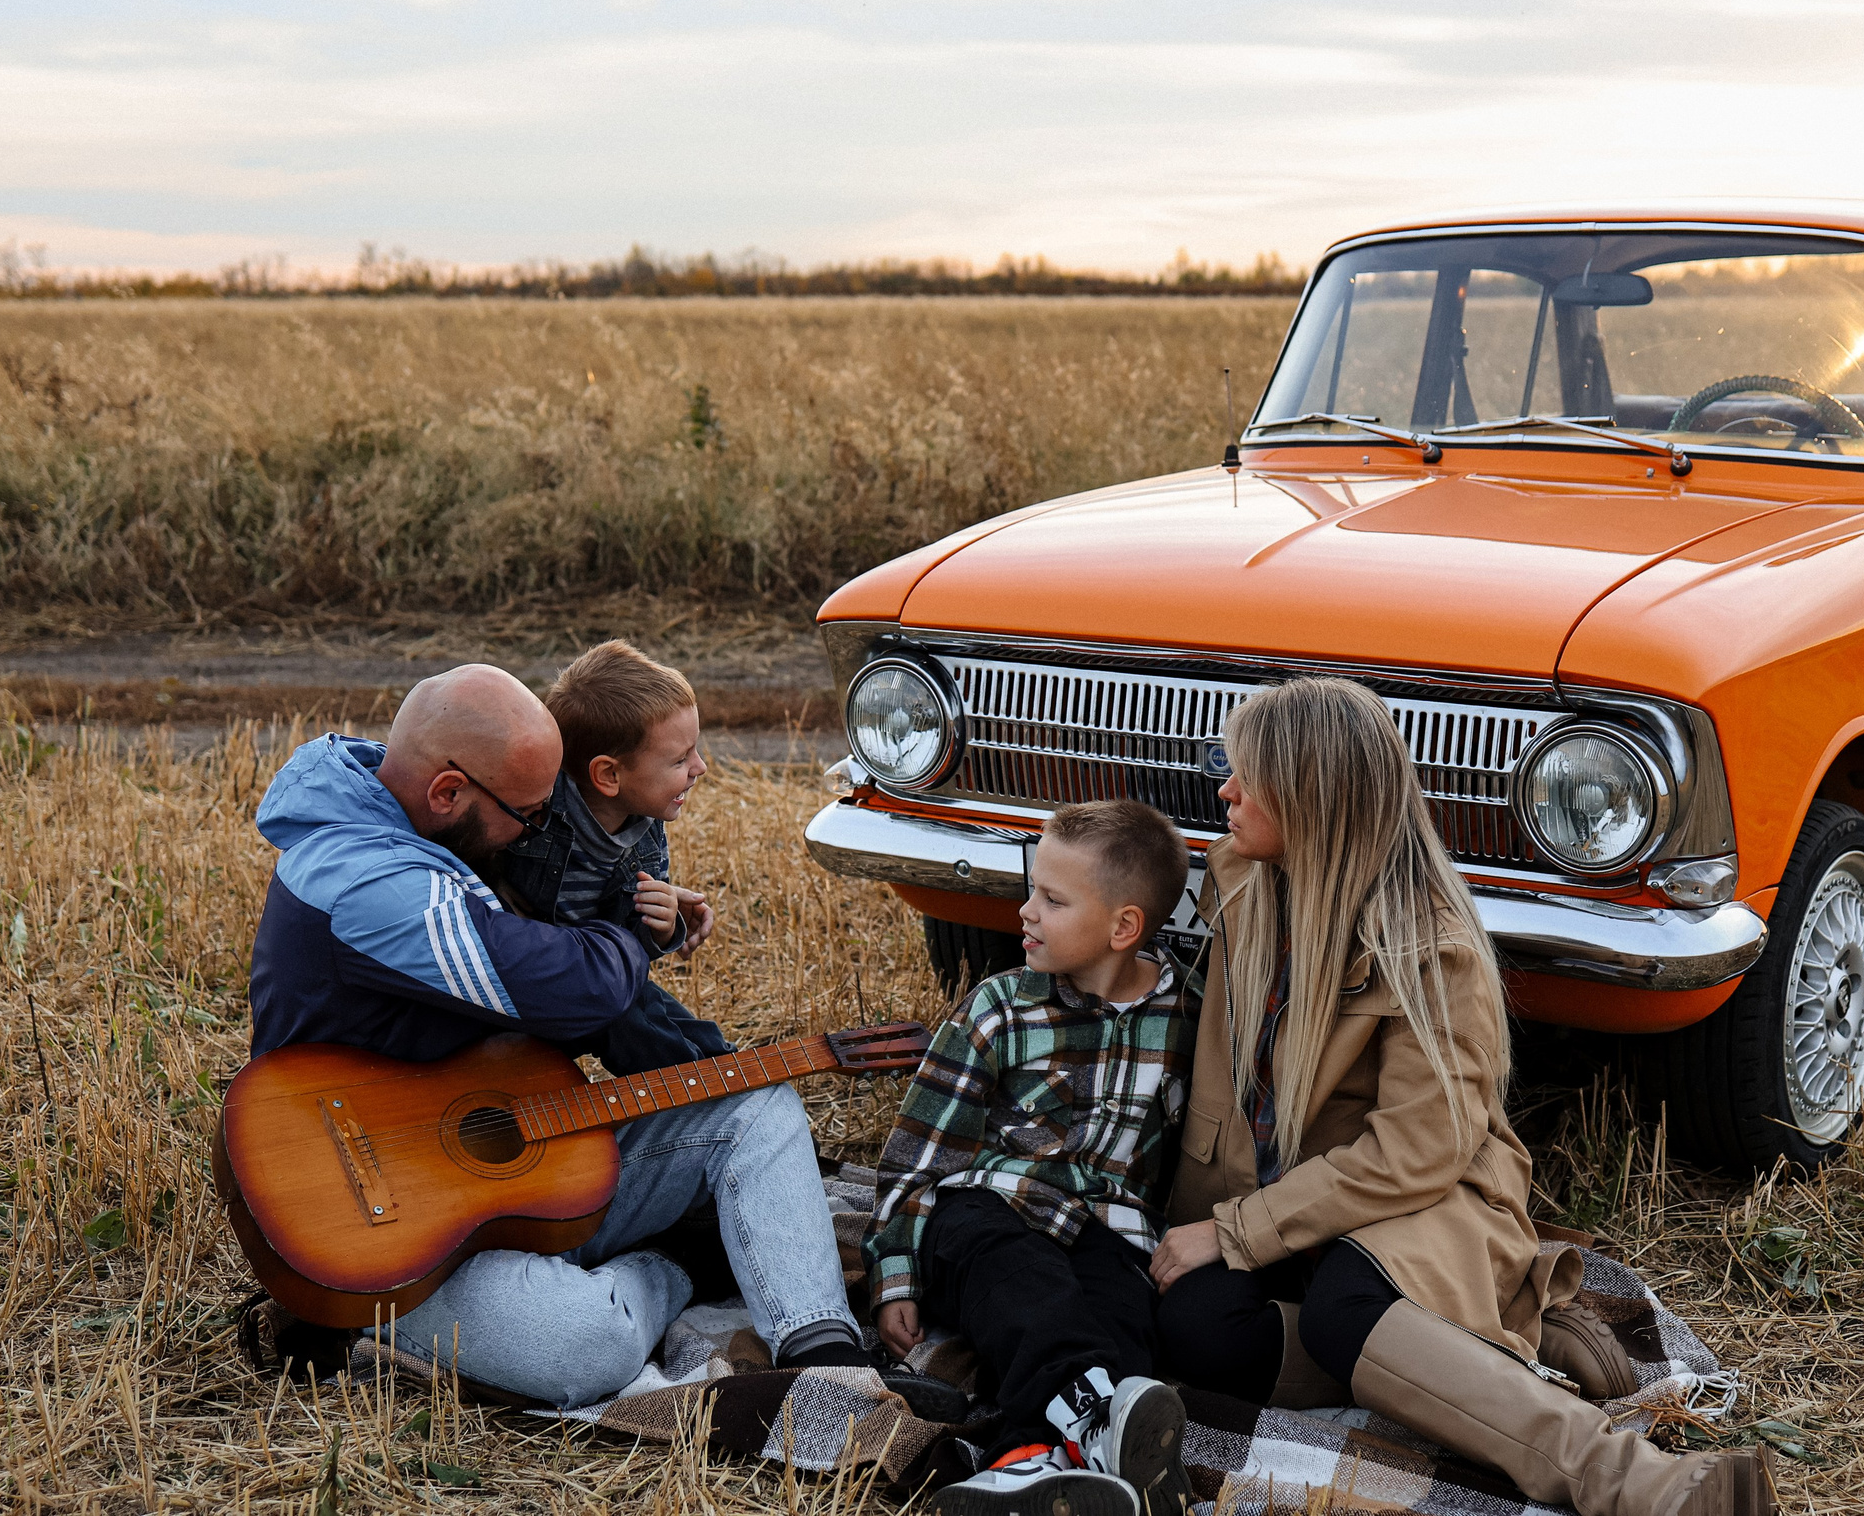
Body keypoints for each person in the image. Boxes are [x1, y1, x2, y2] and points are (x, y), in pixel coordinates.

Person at [1149, 677, 1778, 1516]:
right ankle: (1458, 1357)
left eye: (1248, 775)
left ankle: (1643, 1481)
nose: (1225, 789)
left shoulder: (1431, 946)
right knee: (1196, 1331)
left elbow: (1415, 1153)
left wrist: (1236, 1231)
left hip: (1417, 1198)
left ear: (1311, 793)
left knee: (1342, 1310)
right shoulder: (1238, 879)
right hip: (1296, 1209)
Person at [244, 664, 845, 1407]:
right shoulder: (369, 884)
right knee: (585, 1345)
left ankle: (831, 1359)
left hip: (509, 1173)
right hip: (382, 1228)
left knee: (759, 1109)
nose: (537, 833)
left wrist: (618, 897)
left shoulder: (419, 819)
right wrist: (630, 929)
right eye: (530, 817)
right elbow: (574, 988)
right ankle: (685, 1257)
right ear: (448, 792)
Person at [478, 638, 877, 1370]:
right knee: (634, 1020)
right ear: (608, 774)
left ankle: (743, 1139)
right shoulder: (532, 817)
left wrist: (663, 927)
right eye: (680, 756)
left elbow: (629, 949)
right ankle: (724, 1166)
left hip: (597, 981)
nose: (701, 768)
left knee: (681, 1041)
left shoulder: (645, 831)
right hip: (530, 993)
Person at [867, 800, 1199, 1516]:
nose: (1025, 911)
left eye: (1053, 899)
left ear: (1124, 927)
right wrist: (895, 1276)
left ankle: (1028, 1463)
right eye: (1031, 890)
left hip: (1109, 1229)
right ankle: (1097, 1426)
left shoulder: (1188, 1018)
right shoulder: (1001, 1008)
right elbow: (917, 1155)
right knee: (1025, 1285)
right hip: (987, 1210)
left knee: (1122, 1318)